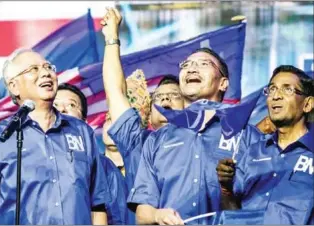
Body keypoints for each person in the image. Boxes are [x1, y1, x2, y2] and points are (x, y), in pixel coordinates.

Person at [125, 29, 263, 226]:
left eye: (203, 64)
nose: (191, 69)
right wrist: (158, 215)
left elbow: (260, 207)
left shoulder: (248, 136)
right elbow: (142, 212)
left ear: (223, 83)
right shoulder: (158, 139)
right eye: (186, 65)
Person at [0, 47, 110, 225]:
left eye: (48, 67)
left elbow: (97, 204)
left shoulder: (82, 132)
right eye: (34, 69)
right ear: (13, 86)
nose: (46, 73)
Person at [100, 7, 185, 199]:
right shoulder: (138, 144)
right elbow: (115, 91)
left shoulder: (203, 143)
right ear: (149, 119)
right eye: (158, 97)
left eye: (174, 95)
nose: (165, 99)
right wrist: (112, 37)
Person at [217, 65, 314, 224]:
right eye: (272, 89)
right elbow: (232, 217)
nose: (276, 96)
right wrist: (226, 188)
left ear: (308, 104)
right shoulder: (252, 152)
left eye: (287, 89)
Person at [54, 82, 129, 225]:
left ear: (84, 120)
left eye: (71, 105)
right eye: (55, 105)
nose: (62, 110)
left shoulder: (103, 166)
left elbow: (118, 217)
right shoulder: (28, 158)